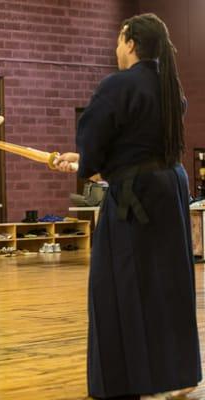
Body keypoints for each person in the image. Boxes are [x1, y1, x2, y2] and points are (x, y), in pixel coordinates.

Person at [54, 13, 202, 400]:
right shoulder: (171, 88)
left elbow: (96, 145)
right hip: (168, 191)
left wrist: (86, 163)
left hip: (135, 199)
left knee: (114, 284)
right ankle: (179, 374)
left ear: (131, 42)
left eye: (119, 41)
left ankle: (121, 382)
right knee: (168, 283)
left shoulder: (117, 86)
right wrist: (90, 160)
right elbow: (139, 146)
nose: (115, 49)